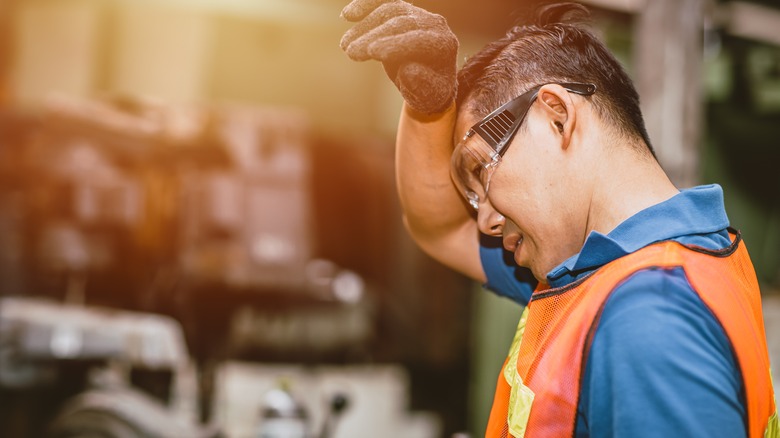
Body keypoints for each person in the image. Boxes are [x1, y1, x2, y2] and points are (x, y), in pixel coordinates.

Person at [340, 1, 778, 437]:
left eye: (481, 170)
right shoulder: (601, 273)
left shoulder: (648, 317)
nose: (487, 222)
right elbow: (440, 227)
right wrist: (428, 107)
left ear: (556, 116)